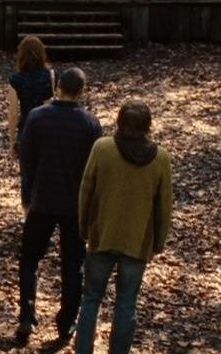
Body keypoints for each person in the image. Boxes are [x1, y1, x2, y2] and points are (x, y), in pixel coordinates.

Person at [75, 101, 173, 354]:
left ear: (119, 122)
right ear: (148, 126)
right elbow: (164, 205)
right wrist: (158, 243)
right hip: (138, 239)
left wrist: (84, 227)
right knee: (126, 303)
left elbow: (86, 190)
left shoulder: (102, 148)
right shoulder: (160, 159)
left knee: (91, 299)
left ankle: (83, 350)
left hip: (102, 233)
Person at [15, 68, 102, 347]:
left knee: (30, 257)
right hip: (74, 205)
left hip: (42, 199)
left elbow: (26, 159)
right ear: (82, 90)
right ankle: (66, 323)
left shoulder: (37, 117)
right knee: (72, 265)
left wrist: (28, 193)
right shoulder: (90, 123)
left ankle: (27, 313)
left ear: (59, 86)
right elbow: (93, 169)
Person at [7, 35, 55, 210]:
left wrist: (12, 140)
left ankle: (28, 216)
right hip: (49, 129)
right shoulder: (52, 76)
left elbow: (13, 113)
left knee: (27, 177)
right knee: (48, 174)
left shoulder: (15, 80)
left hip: (27, 129)